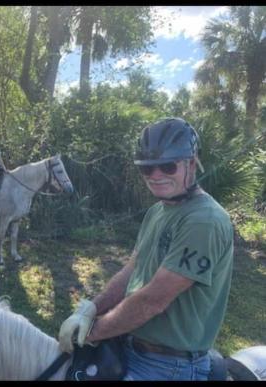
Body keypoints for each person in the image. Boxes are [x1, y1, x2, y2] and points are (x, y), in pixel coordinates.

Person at [58, 117, 234, 380]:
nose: (156, 176)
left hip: (168, 365)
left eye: (167, 166)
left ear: (191, 162)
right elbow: (131, 271)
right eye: (147, 169)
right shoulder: (157, 211)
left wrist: (91, 332)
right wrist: (90, 310)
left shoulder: (203, 220)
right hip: (130, 345)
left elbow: (154, 300)